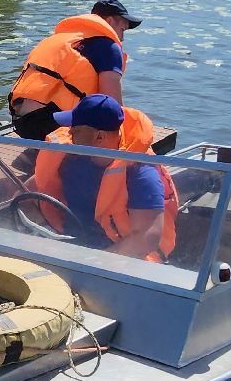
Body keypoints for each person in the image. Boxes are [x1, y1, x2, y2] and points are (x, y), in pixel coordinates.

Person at [26, 94, 177, 263]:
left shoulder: (140, 173)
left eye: (76, 129)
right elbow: (33, 188)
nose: (69, 132)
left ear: (99, 137)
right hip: (68, 244)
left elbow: (147, 237)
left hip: (117, 260)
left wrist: (94, 262)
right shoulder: (71, 157)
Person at [7, 0, 142, 142]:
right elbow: (113, 104)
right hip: (49, 125)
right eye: (122, 30)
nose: (122, 38)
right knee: (120, 130)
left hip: (20, 120)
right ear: (109, 21)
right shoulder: (108, 47)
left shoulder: (62, 39)